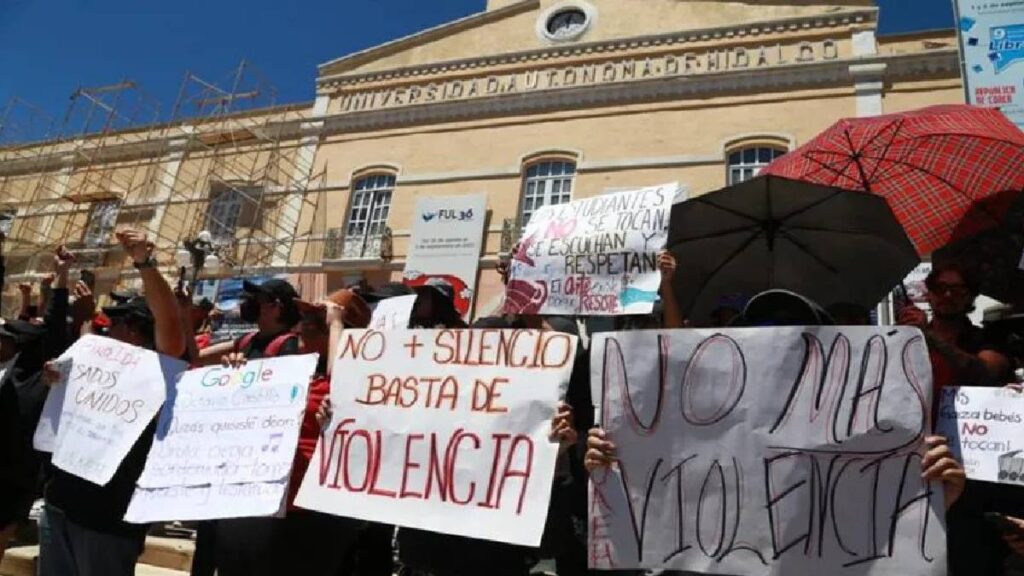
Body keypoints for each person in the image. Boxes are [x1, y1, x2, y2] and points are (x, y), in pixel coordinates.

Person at [584, 290, 969, 576]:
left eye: (796, 344)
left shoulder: (864, 440)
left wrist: (932, 500)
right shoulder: (695, 439)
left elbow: (884, 551)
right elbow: (654, 534)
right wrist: (613, 470)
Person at [40, 229, 186, 576]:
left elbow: (169, 321)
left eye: (117, 322)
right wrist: (57, 379)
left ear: (135, 330)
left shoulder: (160, 368)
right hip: (60, 504)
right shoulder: (98, 360)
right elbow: (84, 337)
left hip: (107, 522)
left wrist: (144, 263)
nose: (109, 329)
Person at [0, 246, 74, 562]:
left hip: (13, 479)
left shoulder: (36, 378)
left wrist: (61, 277)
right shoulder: (7, 372)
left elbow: (54, 327)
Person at [898, 261, 1011, 392]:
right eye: (940, 288)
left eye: (957, 290)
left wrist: (930, 337)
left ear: (970, 297)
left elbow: (987, 371)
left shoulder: (987, 337)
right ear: (929, 294)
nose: (948, 295)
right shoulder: (912, 339)